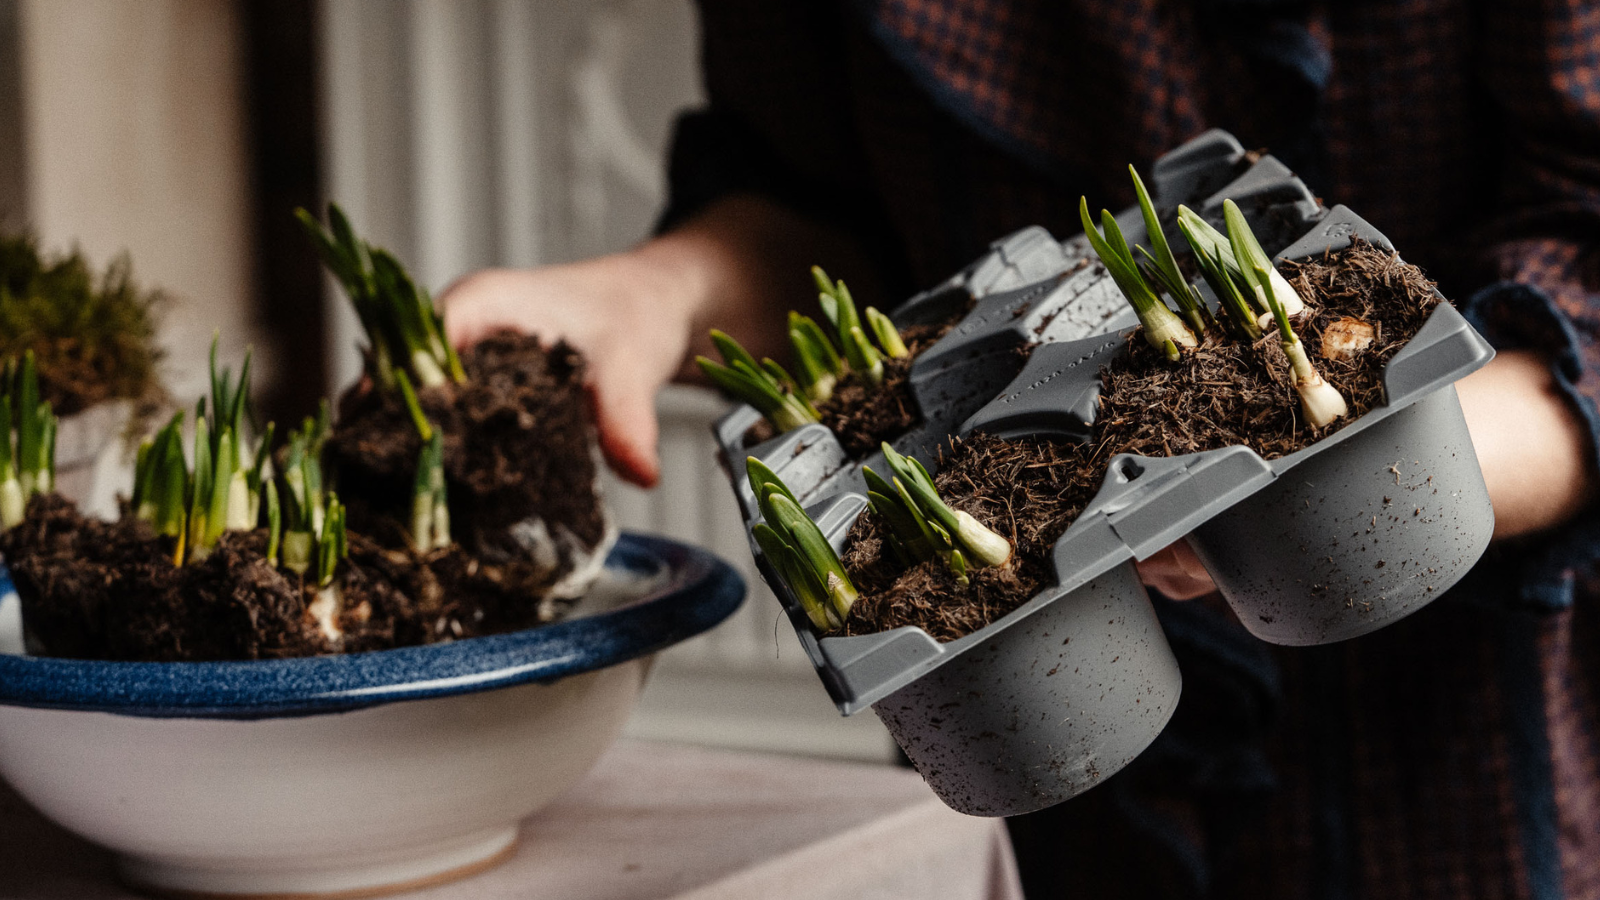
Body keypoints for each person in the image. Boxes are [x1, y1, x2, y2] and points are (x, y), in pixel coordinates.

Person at [443, 2, 1600, 896]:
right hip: (1049, 754)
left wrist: (1322, 454)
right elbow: (813, 219)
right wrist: (650, 296)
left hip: (1470, 716)